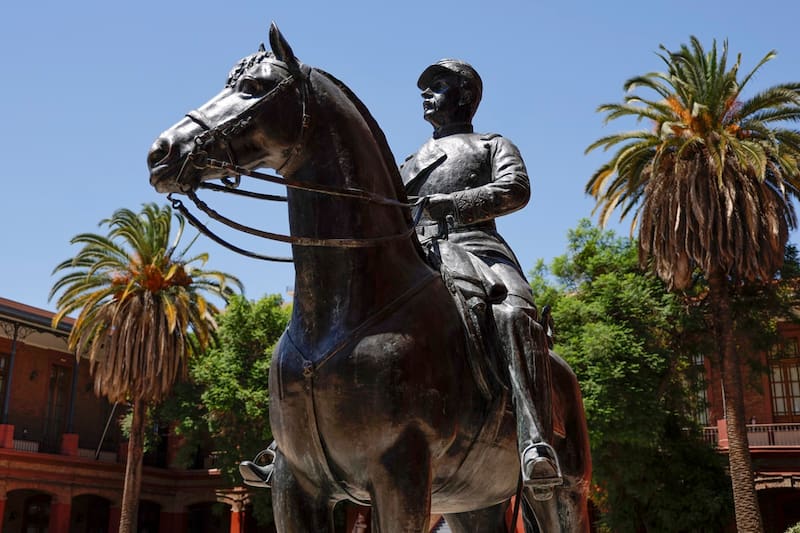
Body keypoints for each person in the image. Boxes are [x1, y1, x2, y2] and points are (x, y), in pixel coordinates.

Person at [400, 59, 562, 493]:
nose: (426, 94)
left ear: (466, 96)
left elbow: (516, 190)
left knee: (513, 314)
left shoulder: (493, 144)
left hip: (477, 247)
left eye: (437, 86)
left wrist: (451, 204)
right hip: (418, 255)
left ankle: (535, 443)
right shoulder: (409, 161)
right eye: (425, 87)